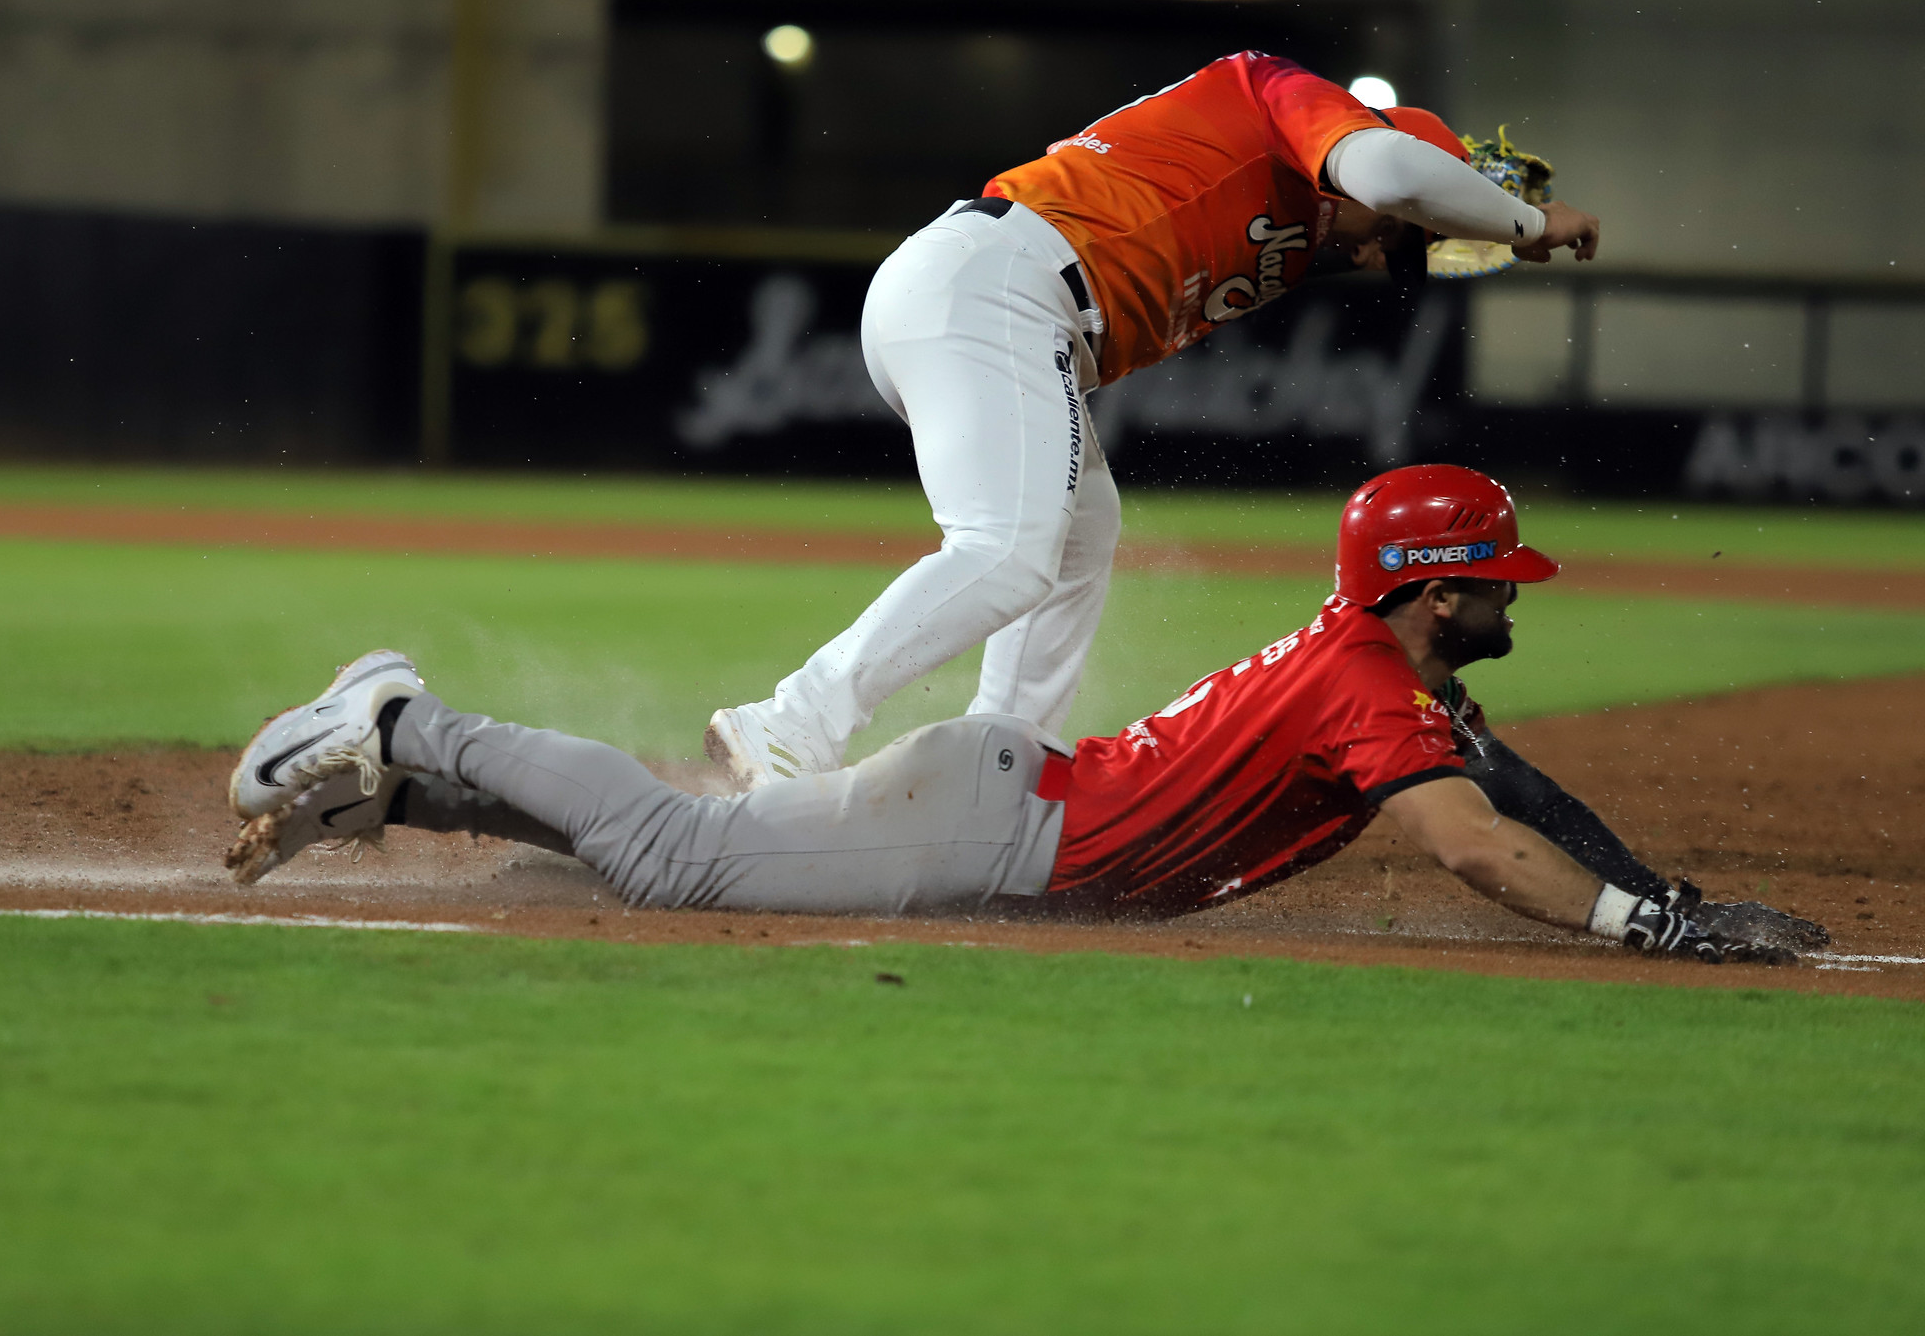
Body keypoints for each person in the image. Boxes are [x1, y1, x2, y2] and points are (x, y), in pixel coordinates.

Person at [223, 466, 1823, 964]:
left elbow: (1520, 795)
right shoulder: (1365, 689)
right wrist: (1651, 937)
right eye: (1493, 578)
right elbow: (1474, 851)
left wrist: (1669, 896)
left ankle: (399, 788)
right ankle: (405, 715)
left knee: (667, 855)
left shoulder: (1384, 668)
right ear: (1429, 589)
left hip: (1005, 805)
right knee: (672, 856)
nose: (1515, 597)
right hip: (992, 819)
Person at [700, 51, 1603, 791]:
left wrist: (1470, 216)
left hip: (1000, 299)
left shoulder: (1309, 227)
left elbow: (1390, 185)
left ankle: (997, 764)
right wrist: (1523, 221)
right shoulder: (1286, 95)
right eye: (1406, 231)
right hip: (998, 283)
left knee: (1079, 534)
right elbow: (1389, 168)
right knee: (1007, 549)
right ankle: (790, 725)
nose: (1384, 251)